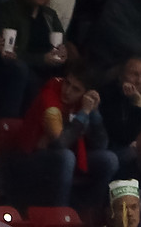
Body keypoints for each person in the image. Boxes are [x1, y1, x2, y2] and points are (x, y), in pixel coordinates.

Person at [18, 66, 117, 207]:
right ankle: (60, 214)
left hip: (72, 154)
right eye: (67, 83)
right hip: (33, 157)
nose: (67, 91)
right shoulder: (49, 96)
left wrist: (94, 112)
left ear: (85, 94)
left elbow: (101, 144)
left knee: (109, 159)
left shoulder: (84, 103)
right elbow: (59, 144)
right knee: (66, 157)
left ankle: (92, 214)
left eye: (76, 89)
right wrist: (84, 112)